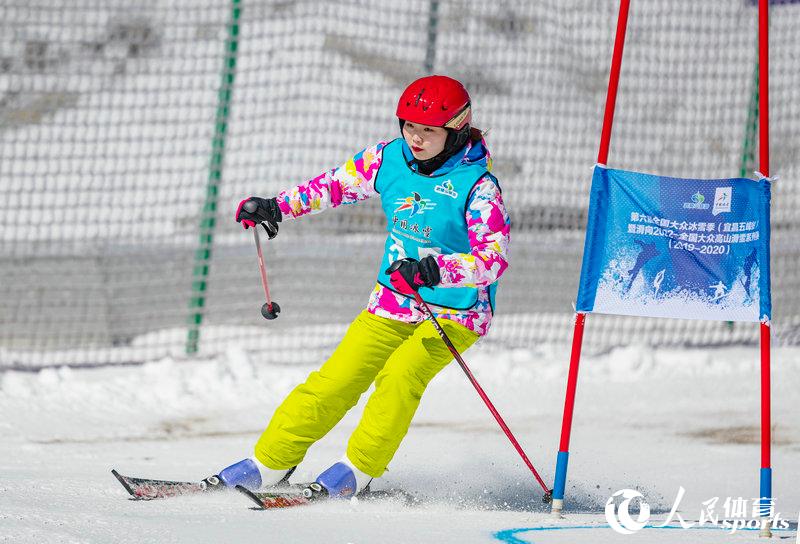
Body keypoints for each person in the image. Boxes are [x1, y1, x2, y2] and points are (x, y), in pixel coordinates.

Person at [217, 75, 510, 498]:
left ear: (457, 129)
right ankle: (270, 460)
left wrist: (434, 270)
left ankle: (358, 470)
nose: (416, 138)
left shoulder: (479, 187)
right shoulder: (388, 158)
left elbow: (493, 259)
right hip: (393, 300)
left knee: (401, 374)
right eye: (409, 126)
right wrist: (278, 206)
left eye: (428, 130)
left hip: (456, 311)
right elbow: (336, 186)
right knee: (336, 380)